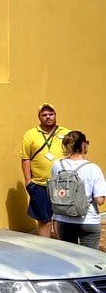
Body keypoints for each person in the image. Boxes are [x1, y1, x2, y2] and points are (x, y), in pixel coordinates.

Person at [21, 102, 71, 237]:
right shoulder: (30, 135)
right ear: (39, 117)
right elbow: (26, 158)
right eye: (44, 115)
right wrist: (28, 181)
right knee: (44, 220)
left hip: (62, 184)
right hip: (39, 184)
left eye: (51, 114)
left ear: (55, 115)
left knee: (62, 219)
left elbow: (74, 155)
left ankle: (62, 248)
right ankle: (45, 246)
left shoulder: (66, 133)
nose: (48, 117)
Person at [51, 131, 106, 249]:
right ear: (84, 145)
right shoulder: (93, 168)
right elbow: (100, 200)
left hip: (63, 218)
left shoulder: (57, 165)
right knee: (90, 259)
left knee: (70, 258)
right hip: (88, 219)